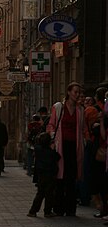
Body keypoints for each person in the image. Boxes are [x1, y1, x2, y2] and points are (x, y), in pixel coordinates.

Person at [47, 81, 88, 216]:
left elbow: (83, 128)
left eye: (79, 92)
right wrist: (53, 138)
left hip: (74, 146)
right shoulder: (59, 107)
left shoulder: (80, 110)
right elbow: (51, 125)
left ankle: (70, 208)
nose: (77, 95)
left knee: (71, 177)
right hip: (60, 145)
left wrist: (84, 140)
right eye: (75, 92)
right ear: (69, 92)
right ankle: (58, 207)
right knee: (60, 177)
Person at [84, 87, 108, 217]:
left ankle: (102, 207)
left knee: (98, 180)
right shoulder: (98, 111)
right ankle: (103, 207)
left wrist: (100, 122)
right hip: (100, 149)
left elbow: (101, 134)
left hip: (99, 150)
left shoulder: (96, 111)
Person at [27, 132, 61, 217]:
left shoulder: (38, 149)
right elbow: (58, 157)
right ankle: (47, 211)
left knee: (40, 193)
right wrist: (53, 147)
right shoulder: (51, 152)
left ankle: (33, 211)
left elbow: (36, 145)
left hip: (41, 174)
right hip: (50, 174)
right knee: (49, 194)